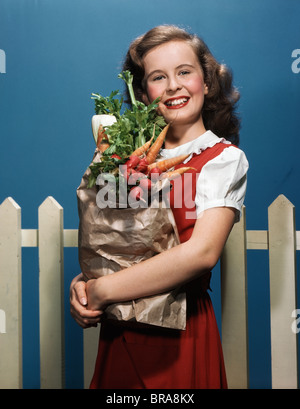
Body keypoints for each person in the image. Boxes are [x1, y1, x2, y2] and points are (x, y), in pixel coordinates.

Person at [70, 24, 249, 389]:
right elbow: (113, 241)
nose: (173, 86)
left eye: (185, 72)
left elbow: (201, 253)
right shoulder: (123, 156)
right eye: (157, 77)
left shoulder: (223, 160)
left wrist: (104, 290)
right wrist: (86, 284)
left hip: (181, 331)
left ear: (208, 82)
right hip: (121, 328)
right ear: (143, 92)